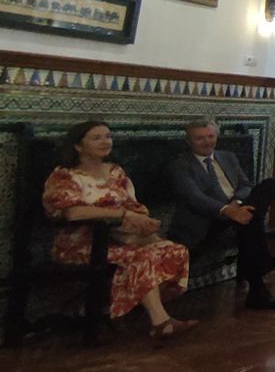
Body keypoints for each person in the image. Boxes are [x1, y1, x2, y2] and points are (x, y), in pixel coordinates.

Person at [41, 121, 196, 340]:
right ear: (78, 146)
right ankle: (160, 322)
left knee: (174, 250)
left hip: (120, 239)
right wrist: (121, 215)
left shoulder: (116, 171)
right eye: (96, 138)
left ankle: (133, 310)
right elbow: (72, 213)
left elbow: (134, 206)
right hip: (81, 245)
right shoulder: (65, 175)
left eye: (108, 136)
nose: (105, 142)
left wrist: (143, 222)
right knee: (141, 258)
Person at [163, 117, 275, 311]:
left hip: (235, 210)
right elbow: (194, 198)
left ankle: (249, 217)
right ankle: (257, 290)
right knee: (251, 223)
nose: (207, 142)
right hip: (206, 221)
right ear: (189, 141)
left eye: (210, 136)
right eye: (200, 138)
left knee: (271, 185)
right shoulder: (180, 165)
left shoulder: (228, 157)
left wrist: (236, 204)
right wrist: (228, 211)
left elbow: (245, 185)